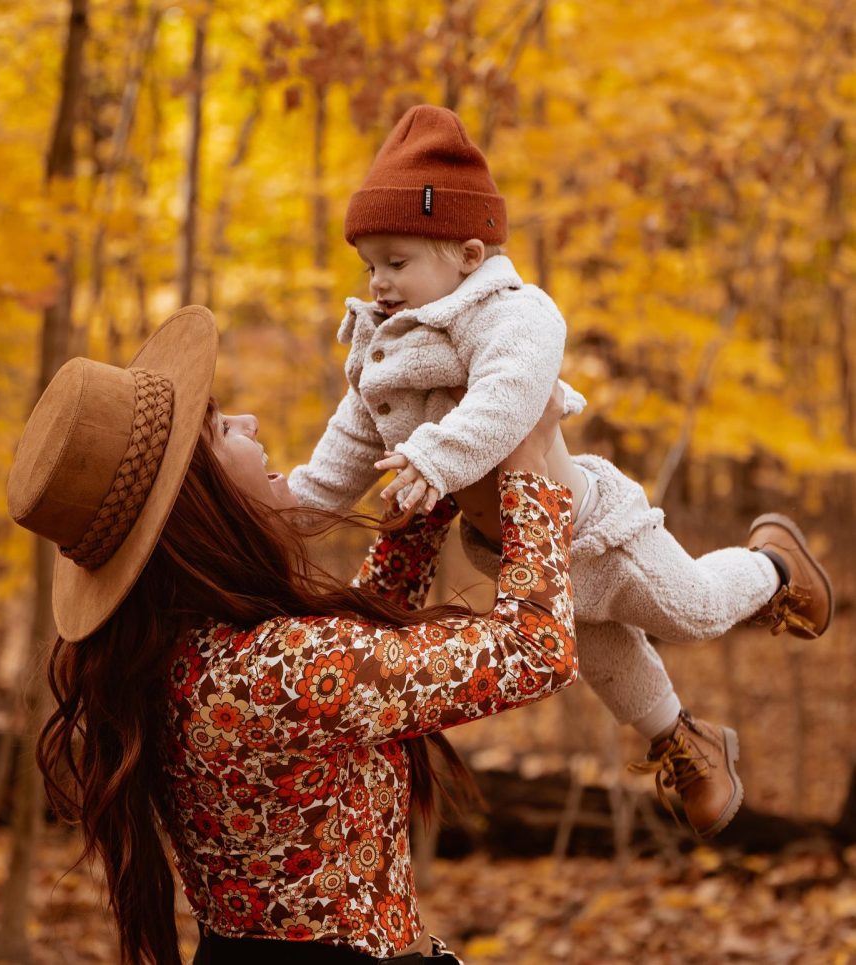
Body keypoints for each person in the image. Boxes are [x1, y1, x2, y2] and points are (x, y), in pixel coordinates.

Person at [287, 104, 834, 839]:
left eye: (397, 261)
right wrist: (275, 510)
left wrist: (432, 455)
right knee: (607, 662)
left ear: (469, 254)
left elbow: (509, 395)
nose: (379, 283)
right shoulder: (386, 356)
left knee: (693, 611)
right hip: (524, 555)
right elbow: (338, 462)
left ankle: (774, 565)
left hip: (592, 524)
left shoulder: (512, 312)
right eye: (370, 264)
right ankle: (685, 742)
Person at [7, 305, 579, 965]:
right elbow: (535, 650)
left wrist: (437, 474)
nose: (251, 423)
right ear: (198, 501)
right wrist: (530, 455)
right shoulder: (279, 669)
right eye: (223, 429)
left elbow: (353, 667)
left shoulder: (179, 658)